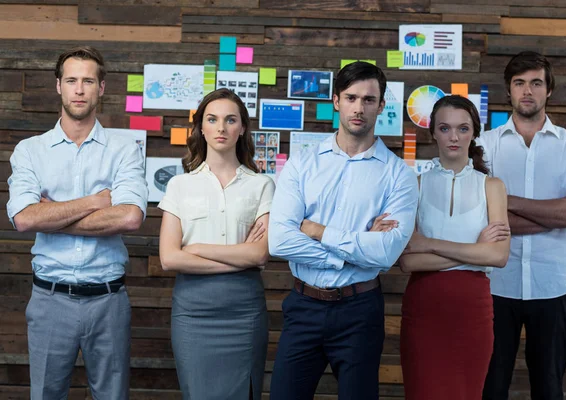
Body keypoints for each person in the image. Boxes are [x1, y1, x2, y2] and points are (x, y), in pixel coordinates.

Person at [268, 61, 418, 400]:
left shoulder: (398, 175)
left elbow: (386, 252)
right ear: (336, 101)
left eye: (368, 100)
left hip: (359, 311)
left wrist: (317, 230)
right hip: (303, 306)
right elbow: (280, 241)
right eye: (351, 98)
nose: (359, 107)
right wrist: (352, 253)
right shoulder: (302, 164)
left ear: (381, 106)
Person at [6, 46, 148, 399]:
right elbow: (24, 218)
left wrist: (52, 215)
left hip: (109, 301)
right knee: (46, 395)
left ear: (102, 88)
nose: (79, 89)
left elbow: (130, 216)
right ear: (58, 86)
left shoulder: (124, 149)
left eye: (88, 81)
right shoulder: (30, 151)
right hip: (50, 300)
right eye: (71, 80)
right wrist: (95, 202)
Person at [479, 51, 566, 399]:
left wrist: (504, 200)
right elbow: (479, 216)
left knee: (548, 387)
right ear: (509, 90)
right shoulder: (484, 146)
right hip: (495, 287)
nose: (527, 91)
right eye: (519, 83)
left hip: (552, 288)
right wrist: (549, 216)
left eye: (535, 83)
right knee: (491, 386)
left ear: (549, 90)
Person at [158, 88, 274, 400]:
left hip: (244, 311)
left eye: (230, 120)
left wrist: (195, 249)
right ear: (201, 128)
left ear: (243, 128)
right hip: (193, 312)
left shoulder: (262, 185)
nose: (221, 127)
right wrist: (240, 257)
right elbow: (169, 258)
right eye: (212, 119)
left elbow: (261, 253)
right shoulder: (180, 185)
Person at [398, 95, 510, 399]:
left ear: (474, 132)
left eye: (462, 128)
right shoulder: (415, 185)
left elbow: (498, 256)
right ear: (433, 131)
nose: (454, 137)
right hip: (424, 309)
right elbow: (409, 262)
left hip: (472, 310)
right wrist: (475, 251)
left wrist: (429, 244)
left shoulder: (493, 187)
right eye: (445, 128)